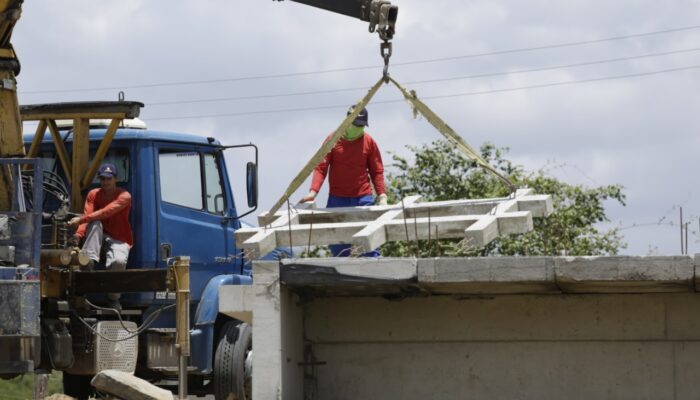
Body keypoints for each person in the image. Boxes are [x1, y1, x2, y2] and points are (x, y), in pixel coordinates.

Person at [300, 106, 387, 257]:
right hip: (337, 199)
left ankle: (374, 275)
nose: (359, 128)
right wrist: (313, 192)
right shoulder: (332, 140)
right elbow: (321, 167)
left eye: (362, 125)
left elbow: (377, 170)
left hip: (363, 198)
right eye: (356, 124)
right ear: (347, 122)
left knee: (370, 246)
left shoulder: (369, 142)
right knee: (338, 247)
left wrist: (382, 196)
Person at [67, 163, 132, 311]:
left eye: (108, 179)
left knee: (119, 261)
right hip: (98, 237)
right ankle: (88, 264)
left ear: (115, 179)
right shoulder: (93, 194)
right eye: (102, 178)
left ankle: (113, 299)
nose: (105, 182)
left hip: (119, 239)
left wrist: (80, 220)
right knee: (95, 224)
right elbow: (88, 216)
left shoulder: (124, 196)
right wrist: (77, 235)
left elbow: (106, 212)